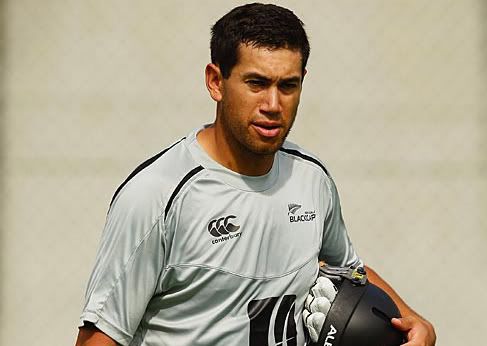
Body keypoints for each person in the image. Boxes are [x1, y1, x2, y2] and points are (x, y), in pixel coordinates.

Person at [75, 3, 436, 346]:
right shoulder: (156, 196)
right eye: (256, 83)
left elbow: (349, 271)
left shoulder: (311, 179)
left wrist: (416, 321)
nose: (273, 105)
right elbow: (100, 338)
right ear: (216, 81)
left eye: (288, 86)